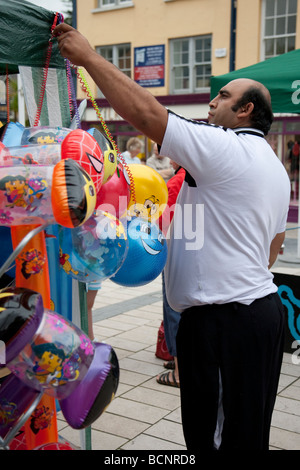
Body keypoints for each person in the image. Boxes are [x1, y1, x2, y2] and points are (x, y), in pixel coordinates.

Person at [54, 23, 291, 451]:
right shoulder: (272, 165)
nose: (211, 101)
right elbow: (273, 251)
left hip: (226, 322)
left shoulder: (224, 147)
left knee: (213, 439)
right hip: (255, 315)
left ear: (245, 111)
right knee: (244, 432)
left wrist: (88, 57)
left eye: (223, 97)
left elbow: (147, 114)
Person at [156, 160, 185, 388]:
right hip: (194, 253)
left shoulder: (179, 180)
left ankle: (178, 369)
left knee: (174, 310)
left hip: (176, 251)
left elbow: (164, 219)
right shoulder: (197, 174)